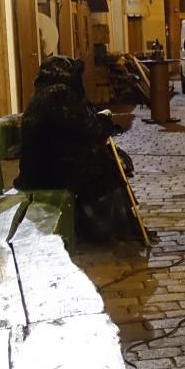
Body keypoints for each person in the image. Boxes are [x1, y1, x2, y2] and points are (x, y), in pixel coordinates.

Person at [16, 55, 139, 241]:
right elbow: (90, 128)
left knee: (101, 160)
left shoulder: (46, 94)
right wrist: (105, 122)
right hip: (48, 175)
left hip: (42, 170)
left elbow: (78, 128)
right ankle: (111, 228)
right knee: (100, 167)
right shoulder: (59, 95)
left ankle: (116, 226)